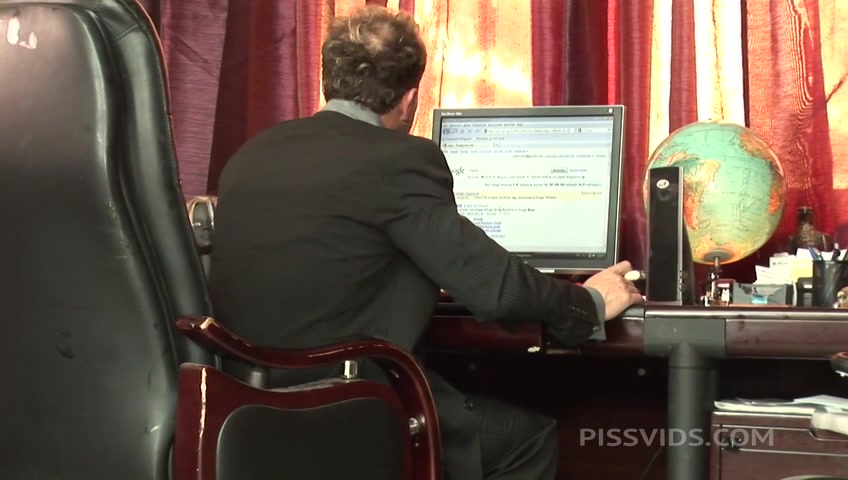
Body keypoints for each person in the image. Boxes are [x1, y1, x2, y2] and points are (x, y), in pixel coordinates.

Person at [208, 6, 643, 480]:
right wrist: (588, 302)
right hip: (351, 404)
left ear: (327, 79)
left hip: (245, 410)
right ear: (409, 98)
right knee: (528, 439)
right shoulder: (398, 159)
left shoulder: (252, 155)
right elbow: (496, 289)